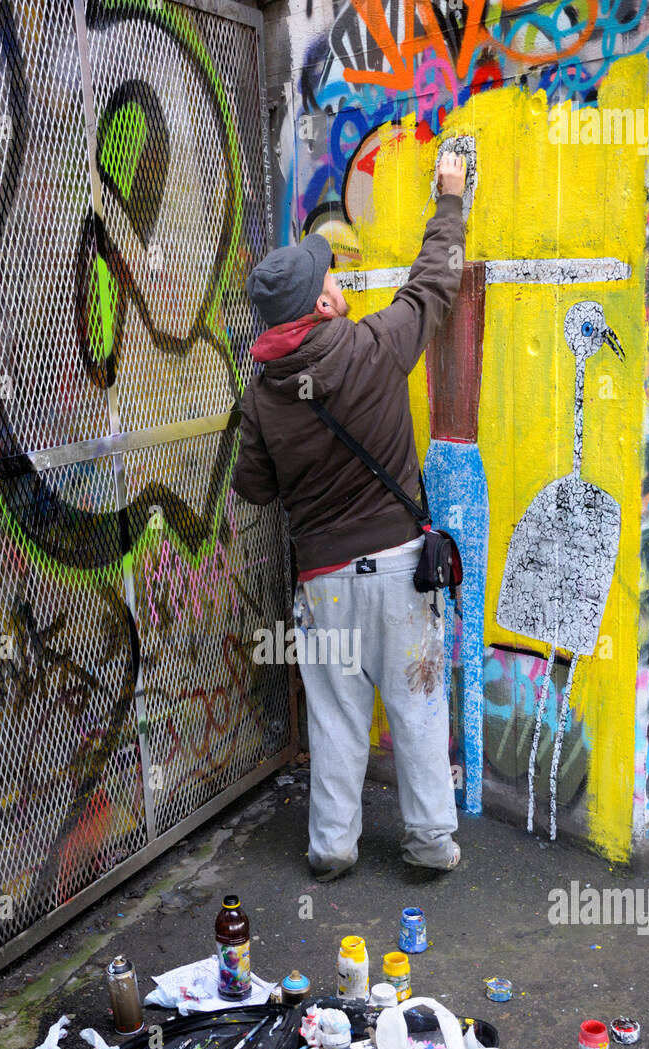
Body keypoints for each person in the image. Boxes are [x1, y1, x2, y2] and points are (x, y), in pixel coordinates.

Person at [233, 152, 467, 882]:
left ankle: (332, 849)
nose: (336, 280)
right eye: (330, 277)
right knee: (418, 709)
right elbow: (434, 281)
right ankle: (429, 843)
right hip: (400, 574)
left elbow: (254, 490)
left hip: (324, 582)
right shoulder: (375, 347)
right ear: (325, 306)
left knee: (335, 721)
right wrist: (451, 198)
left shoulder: (262, 399)